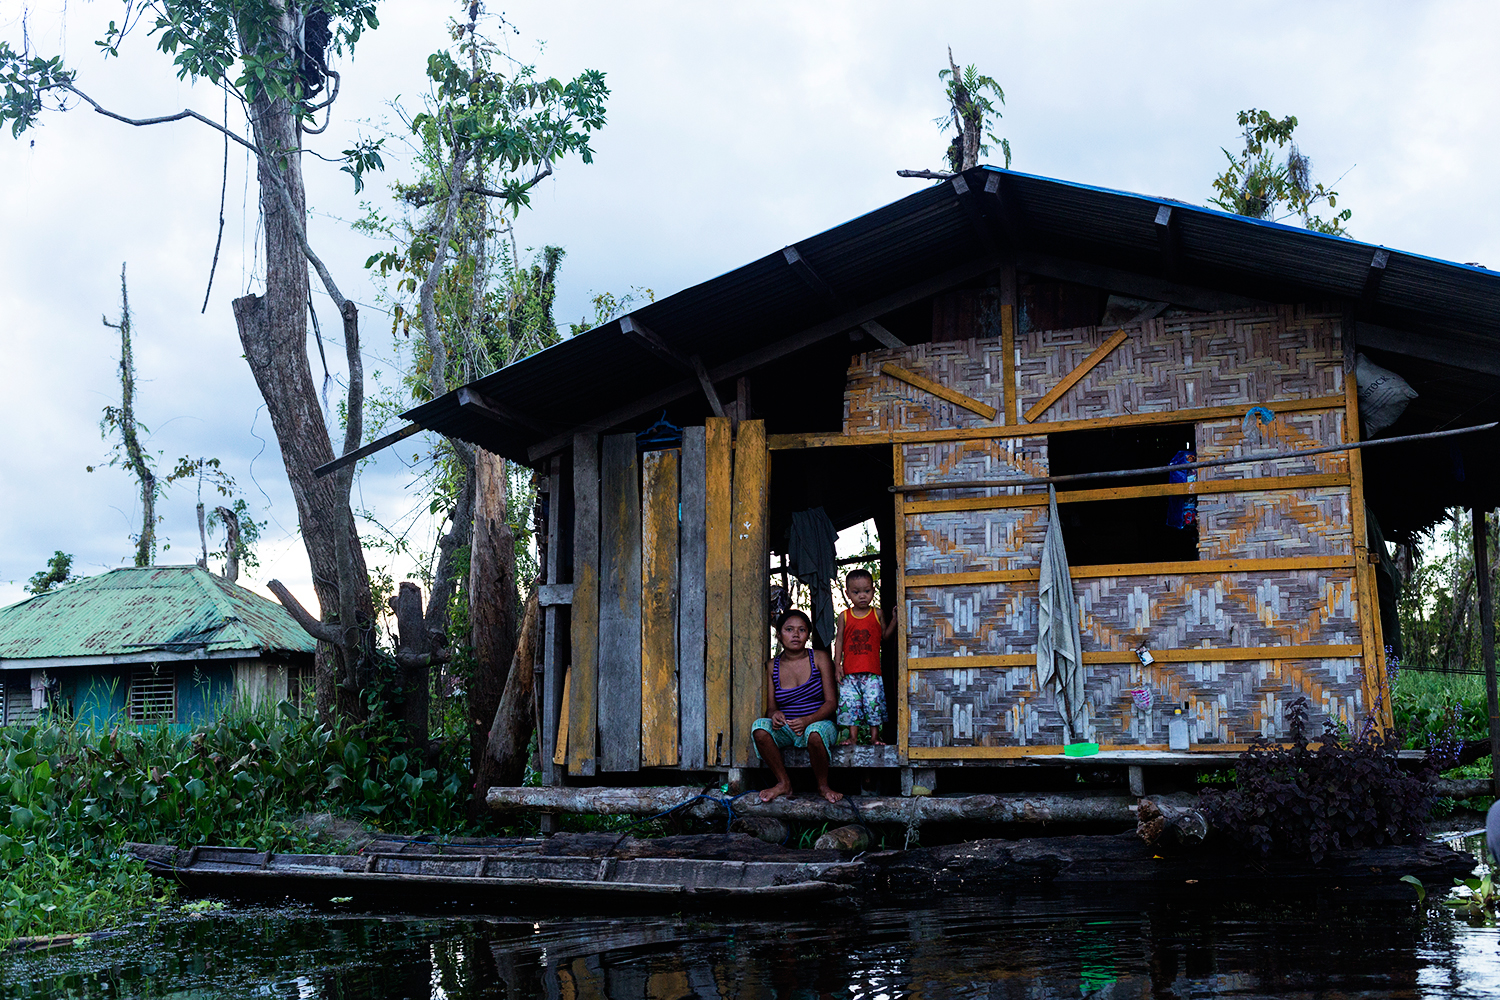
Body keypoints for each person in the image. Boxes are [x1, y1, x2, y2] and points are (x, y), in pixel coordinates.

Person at [752, 609, 844, 804]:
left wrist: (807, 721)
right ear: (779, 635)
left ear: (808, 635)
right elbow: (771, 708)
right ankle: (783, 783)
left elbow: (831, 703)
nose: (795, 634)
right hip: (789, 728)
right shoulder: (772, 666)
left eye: (802, 630)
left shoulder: (819, 658)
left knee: (815, 733)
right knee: (759, 729)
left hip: (819, 723)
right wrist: (775, 715)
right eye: (789, 629)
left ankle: (822, 785)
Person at [833, 568, 897, 746]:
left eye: (866, 591)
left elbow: (885, 636)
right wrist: (837, 665)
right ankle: (852, 737)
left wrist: (895, 620)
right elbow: (839, 641)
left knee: (873, 704)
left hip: (872, 672)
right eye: (856, 592)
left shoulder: (877, 614)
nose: (862, 596)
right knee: (851, 705)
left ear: (873, 590)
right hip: (849, 673)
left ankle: (875, 737)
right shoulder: (844, 616)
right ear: (847, 593)